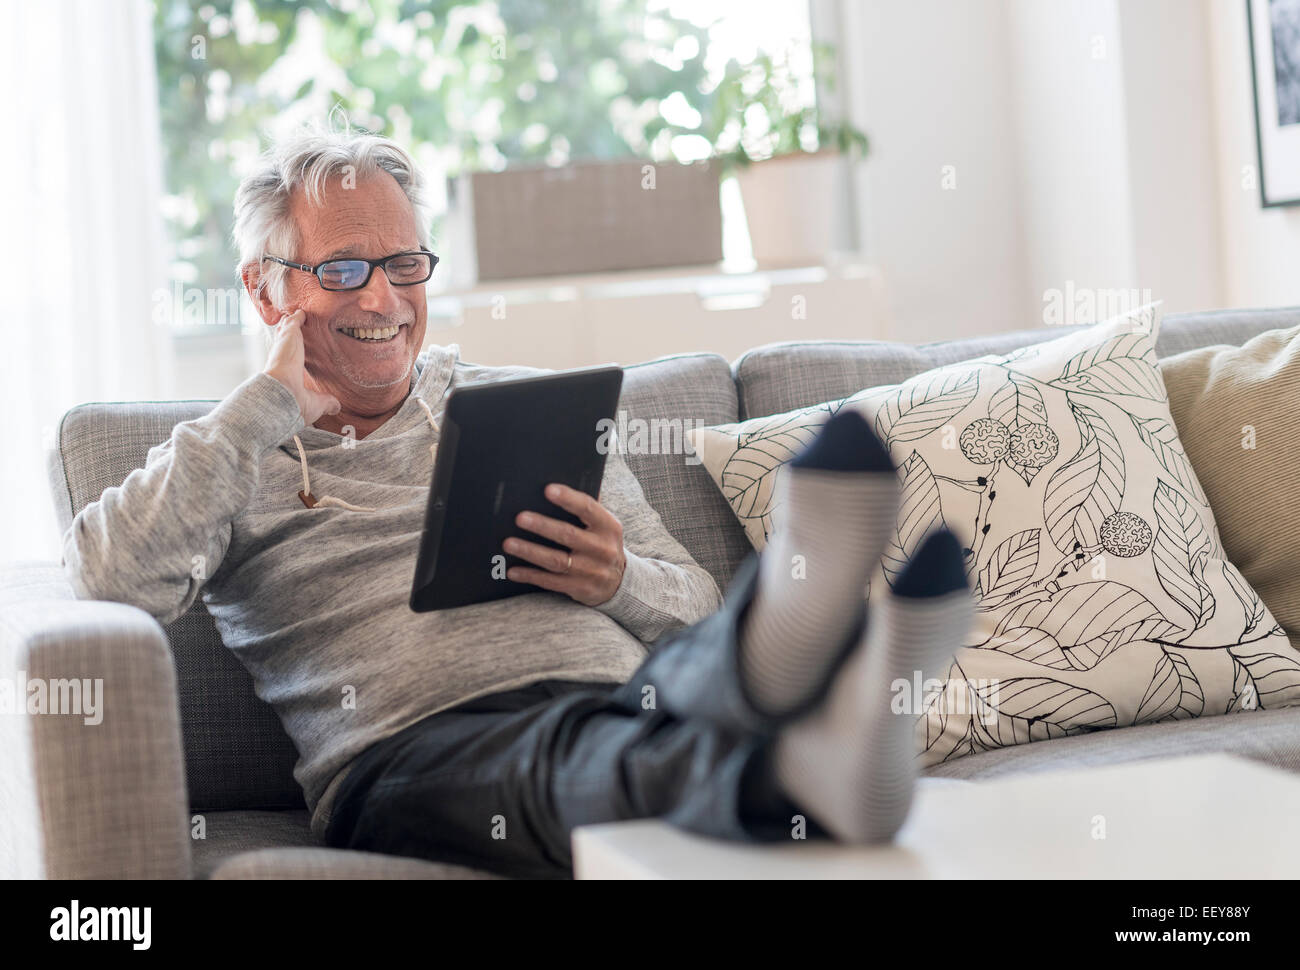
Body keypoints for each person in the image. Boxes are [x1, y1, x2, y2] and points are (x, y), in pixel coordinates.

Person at [62, 124, 972, 879]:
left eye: (404, 263)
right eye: (342, 270)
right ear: (267, 291)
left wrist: (617, 579)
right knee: (573, 757)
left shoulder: (531, 412)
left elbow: (692, 604)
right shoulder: (230, 451)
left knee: (653, 700)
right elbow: (108, 574)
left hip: (619, 701)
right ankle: (803, 724)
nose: (383, 296)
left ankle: (799, 737)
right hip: (411, 760)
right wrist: (262, 407)